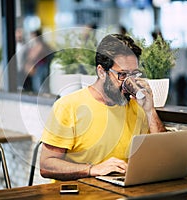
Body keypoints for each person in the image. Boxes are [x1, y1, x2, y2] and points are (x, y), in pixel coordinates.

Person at [39, 34, 166, 181]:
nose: (129, 82)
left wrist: (150, 110)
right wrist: (92, 169)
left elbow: (162, 155)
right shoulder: (68, 106)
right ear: (101, 72)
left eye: (134, 74)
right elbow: (46, 165)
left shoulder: (137, 106)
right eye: (122, 75)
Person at [24, 29, 53, 93]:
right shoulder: (35, 45)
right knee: (36, 86)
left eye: (33, 36)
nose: (31, 38)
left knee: (40, 86)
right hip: (36, 68)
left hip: (41, 68)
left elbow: (33, 56)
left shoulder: (41, 45)